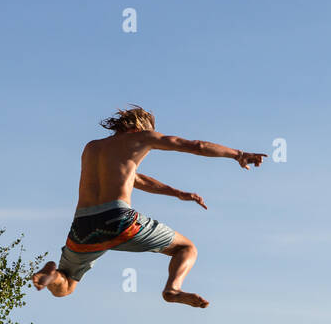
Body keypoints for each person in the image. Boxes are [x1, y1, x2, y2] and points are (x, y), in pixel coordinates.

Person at [31, 105, 265, 308]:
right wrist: (239, 154)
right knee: (186, 248)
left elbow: (136, 178)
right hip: (119, 220)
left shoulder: (91, 148)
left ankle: (52, 274)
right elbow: (197, 145)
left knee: (68, 285)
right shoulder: (142, 137)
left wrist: (177, 193)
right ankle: (172, 289)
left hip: (82, 227)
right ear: (141, 127)